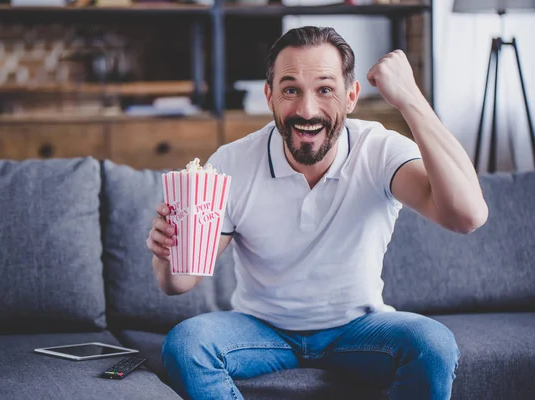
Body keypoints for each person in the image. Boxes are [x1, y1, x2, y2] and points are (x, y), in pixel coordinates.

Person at [146, 26, 488, 400]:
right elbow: (178, 283)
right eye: (290, 89)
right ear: (270, 97)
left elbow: (466, 216)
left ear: (351, 96)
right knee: (187, 343)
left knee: (433, 343)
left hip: (361, 330)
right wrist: (166, 254)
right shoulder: (233, 161)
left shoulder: (378, 150)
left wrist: (410, 100)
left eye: (325, 89)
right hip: (261, 331)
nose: (307, 110)